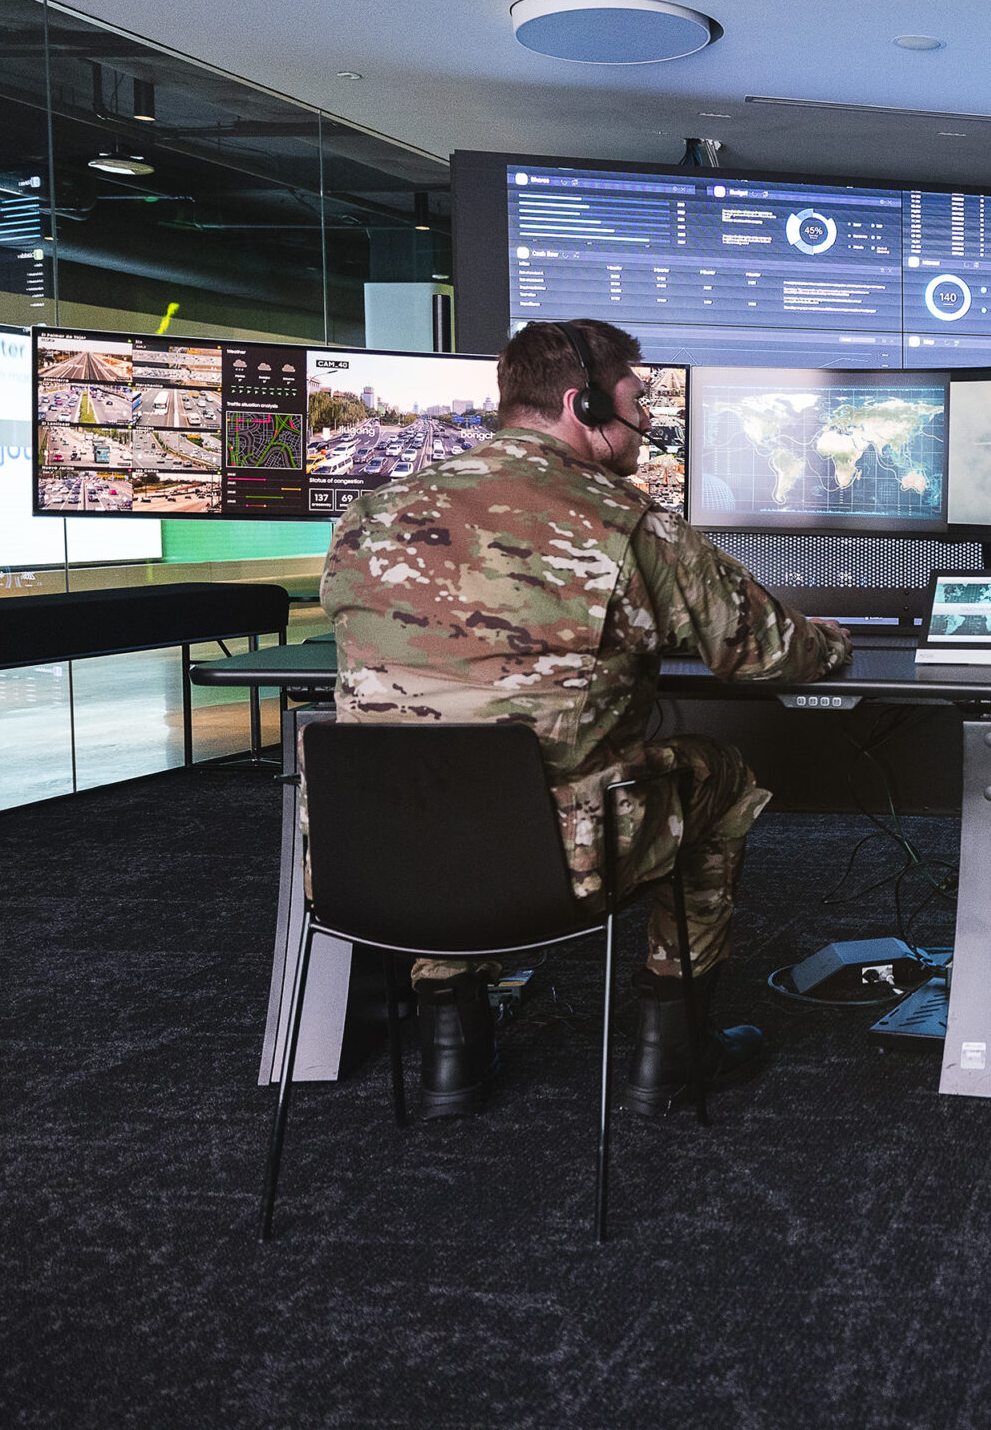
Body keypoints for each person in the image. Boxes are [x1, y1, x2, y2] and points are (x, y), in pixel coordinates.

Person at [321, 319, 852, 1119]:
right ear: (585, 403)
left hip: (375, 858)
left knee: (431, 776)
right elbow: (763, 650)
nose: (646, 419)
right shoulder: (626, 523)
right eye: (638, 398)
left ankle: (449, 1054)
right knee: (723, 775)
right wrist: (833, 643)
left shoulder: (370, 514)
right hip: (557, 859)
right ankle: (671, 1053)